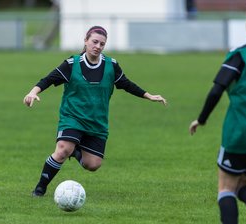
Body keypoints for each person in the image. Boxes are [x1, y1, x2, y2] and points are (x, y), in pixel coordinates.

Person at [23, 26, 167, 197]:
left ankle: (76, 150)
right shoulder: (72, 64)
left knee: (93, 165)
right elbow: (48, 79)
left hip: (97, 122)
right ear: (86, 41)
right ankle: (40, 189)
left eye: (102, 44)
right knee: (62, 150)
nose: (98, 46)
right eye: (95, 42)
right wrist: (33, 92)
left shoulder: (111, 66)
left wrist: (148, 96)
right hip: (73, 117)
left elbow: (126, 84)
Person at [189, 2, 246, 224]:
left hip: (240, 133)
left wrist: (201, 119)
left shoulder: (240, 55)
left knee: (226, 189)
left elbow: (216, 90)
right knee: (245, 185)